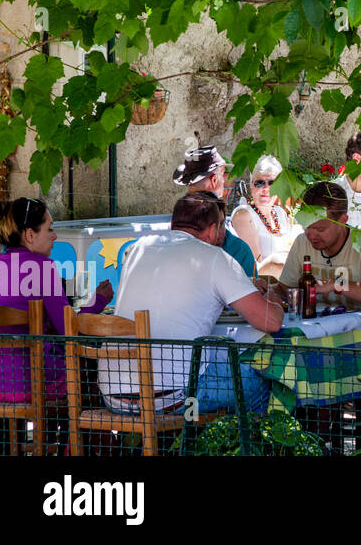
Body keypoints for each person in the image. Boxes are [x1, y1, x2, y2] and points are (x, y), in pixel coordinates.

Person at [100, 193, 283, 414]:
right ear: (212, 229)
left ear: (173, 224)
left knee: (217, 361)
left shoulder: (138, 249)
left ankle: (191, 443)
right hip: (171, 399)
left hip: (113, 396)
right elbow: (270, 321)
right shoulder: (215, 257)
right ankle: (243, 446)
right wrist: (272, 293)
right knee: (260, 380)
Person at [0, 199, 113, 405]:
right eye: (49, 229)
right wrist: (98, 301)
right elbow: (69, 329)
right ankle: (72, 436)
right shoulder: (43, 268)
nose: (54, 236)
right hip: (33, 384)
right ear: (30, 235)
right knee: (91, 368)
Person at [280, 182, 361, 344]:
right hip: (322, 337)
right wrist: (267, 290)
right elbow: (287, 290)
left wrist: (338, 284)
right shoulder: (302, 242)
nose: (311, 235)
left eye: (320, 229)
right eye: (306, 227)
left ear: (343, 221)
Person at [173, 143, 258, 278]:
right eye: (222, 175)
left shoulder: (174, 229)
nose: (224, 183)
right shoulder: (237, 250)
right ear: (214, 180)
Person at [230, 155, 302, 278]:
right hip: (259, 282)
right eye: (259, 183)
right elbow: (255, 266)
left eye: (272, 183)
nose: (266, 189)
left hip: (284, 278)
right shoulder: (243, 214)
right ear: (251, 186)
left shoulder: (280, 213)